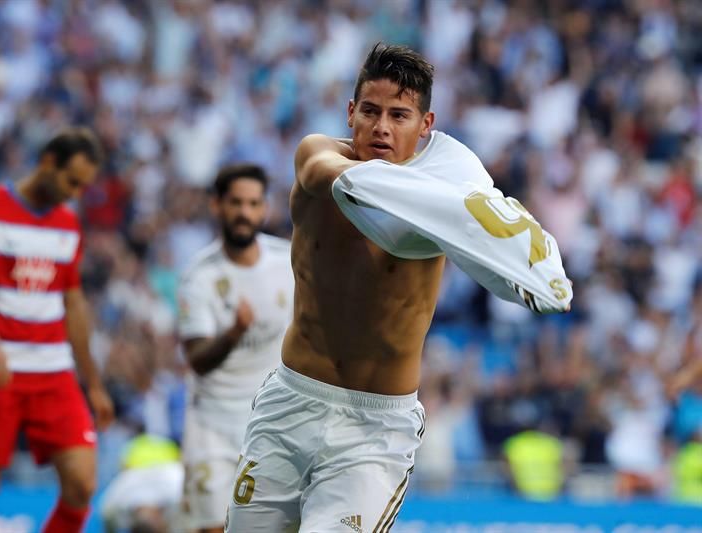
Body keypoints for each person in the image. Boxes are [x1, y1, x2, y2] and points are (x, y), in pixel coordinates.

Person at [226, 43, 571, 532]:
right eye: (370, 111)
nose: (381, 127)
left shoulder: (450, 191)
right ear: (350, 113)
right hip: (289, 404)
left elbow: (491, 241)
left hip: (374, 431)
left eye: (399, 115)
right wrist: (429, 196)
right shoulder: (318, 155)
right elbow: (325, 173)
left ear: (426, 124)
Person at [0, 127, 114, 533]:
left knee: (82, 483)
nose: (75, 193)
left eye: (83, 186)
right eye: (71, 181)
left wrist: (92, 382)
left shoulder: (67, 223)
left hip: (53, 372)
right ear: (47, 163)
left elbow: (73, 303)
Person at [177, 164, 293, 533]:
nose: (245, 212)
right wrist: (233, 334)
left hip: (273, 423)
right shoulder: (200, 276)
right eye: (236, 203)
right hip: (214, 425)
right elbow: (197, 361)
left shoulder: (288, 262)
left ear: (264, 209)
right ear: (216, 206)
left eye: (254, 203)